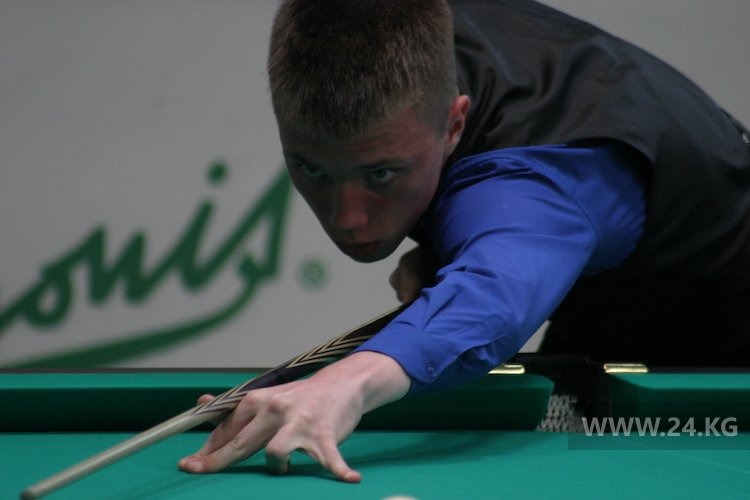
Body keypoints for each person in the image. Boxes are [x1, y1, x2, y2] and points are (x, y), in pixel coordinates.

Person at [179, 0, 750, 481]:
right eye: (311, 168)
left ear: (454, 125)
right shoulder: (412, 27)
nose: (347, 217)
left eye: (381, 174)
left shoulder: (536, 172)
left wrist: (343, 383)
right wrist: (446, 242)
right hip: (612, 298)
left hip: (722, 349)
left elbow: (495, 292)